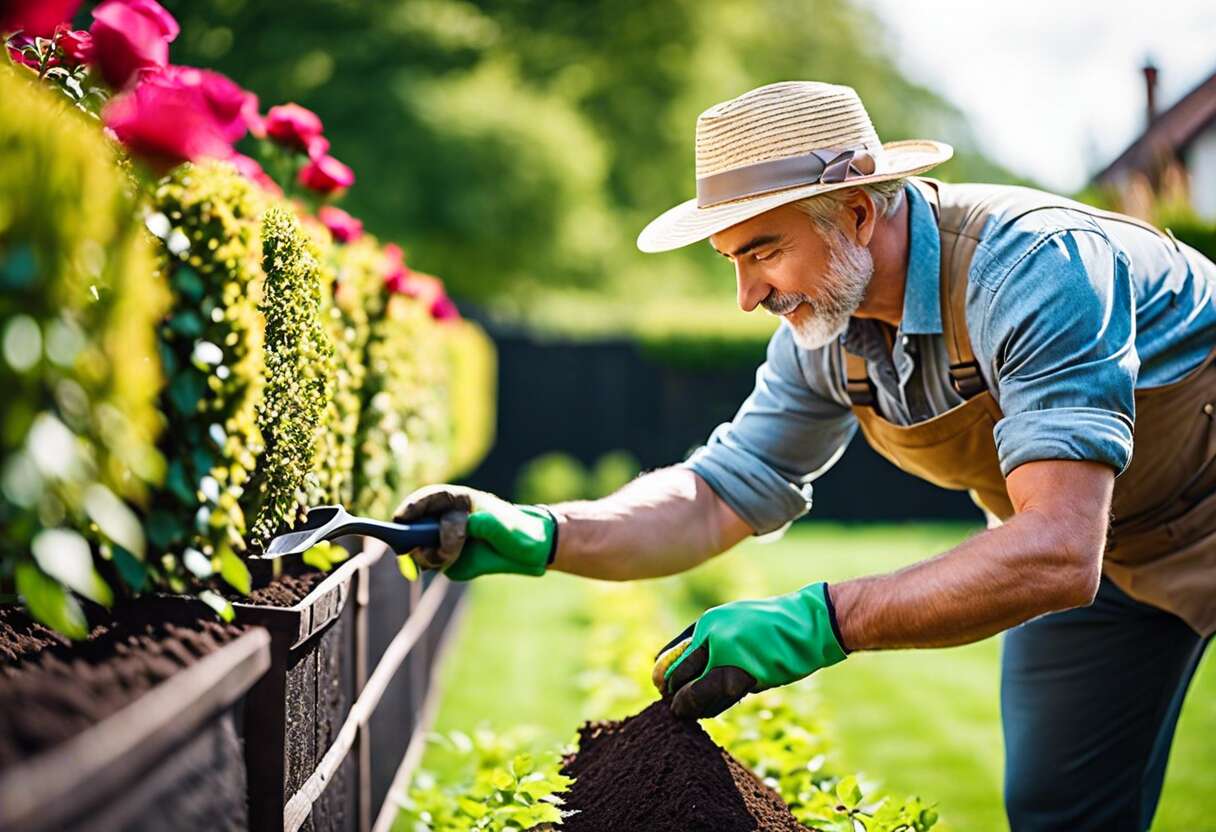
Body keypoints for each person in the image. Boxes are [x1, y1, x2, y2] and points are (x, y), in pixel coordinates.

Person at [395, 81, 1216, 831]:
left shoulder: (1036, 268)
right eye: (732, 261)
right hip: (1105, 555)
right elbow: (720, 493)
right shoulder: (826, 331)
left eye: (762, 251)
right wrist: (547, 533)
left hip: (1138, 528)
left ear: (856, 213)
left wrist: (823, 620)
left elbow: (1059, 548)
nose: (746, 296)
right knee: (1059, 813)